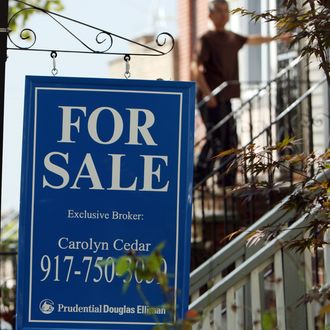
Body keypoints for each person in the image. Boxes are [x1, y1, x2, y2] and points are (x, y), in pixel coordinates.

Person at [192, 0, 290, 187]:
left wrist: (277, 38)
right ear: (210, 15)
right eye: (219, 11)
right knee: (215, 139)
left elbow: (252, 40)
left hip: (226, 97)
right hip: (210, 99)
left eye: (226, 11)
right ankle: (198, 180)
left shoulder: (232, 38)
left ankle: (225, 181)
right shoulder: (206, 39)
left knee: (230, 139)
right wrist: (207, 94)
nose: (223, 15)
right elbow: (194, 68)